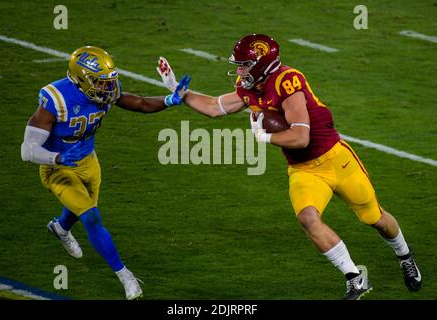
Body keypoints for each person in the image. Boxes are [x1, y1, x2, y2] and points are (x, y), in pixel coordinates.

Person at [156, 34, 421, 300]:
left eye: (244, 64)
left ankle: (405, 256)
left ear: (261, 62)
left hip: (335, 160)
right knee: (308, 218)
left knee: (375, 218)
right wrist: (179, 92)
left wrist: (265, 137)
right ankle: (355, 278)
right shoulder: (249, 87)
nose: (239, 70)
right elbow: (215, 107)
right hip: (303, 169)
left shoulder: (287, 81)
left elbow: (301, 136)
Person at [21, 46, 190, 300]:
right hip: (57, 168)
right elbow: (27, 150)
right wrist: (57, 157)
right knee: (91, 217)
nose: (107, 88)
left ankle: (61, 228)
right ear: (80, 78)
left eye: (108, 81)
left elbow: (142, 104)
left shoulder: (104, 92)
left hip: (89, 162)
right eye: (100, 82)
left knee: (83, 208)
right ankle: (126, 276)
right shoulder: (55, 99)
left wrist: (169, 100)